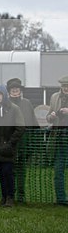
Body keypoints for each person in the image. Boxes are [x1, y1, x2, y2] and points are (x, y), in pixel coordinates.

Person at [0, 84, 25, 207]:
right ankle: (3, 197)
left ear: (5, 95)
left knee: (8, 172)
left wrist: (10, 143)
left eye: (0, 94)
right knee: (1, 173)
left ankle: (10, 198)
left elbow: (20, 128)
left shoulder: (14, 109)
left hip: (8, 149)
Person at [6, 77, 38, 203]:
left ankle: (21, 194)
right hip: (10, 142)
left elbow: (33, 121)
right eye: (12, 89)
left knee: (21, 168)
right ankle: (10, 194)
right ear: (9, 91)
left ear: (20, 91)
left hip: (24, 141)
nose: (15, 91)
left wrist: (34, 139)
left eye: (17, 89)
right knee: (10, 168)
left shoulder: (27, 103)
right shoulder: (5, 104)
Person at [46, 75, 68, 206]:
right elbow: (48, 117)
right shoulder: (54, 97)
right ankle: (61, 199)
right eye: (64, 86)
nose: (66, 88)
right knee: (58, 169)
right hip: (59, 137)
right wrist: (51, 116)